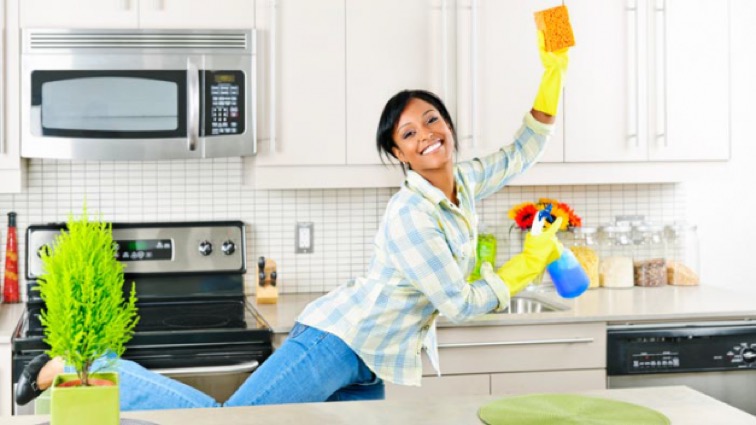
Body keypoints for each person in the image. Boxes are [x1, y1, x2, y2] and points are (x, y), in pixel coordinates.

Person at [16, 29, 570, 410]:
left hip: (370, 360)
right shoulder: (411, 216)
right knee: (230, 420)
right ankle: (74, 367)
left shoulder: (466, 180)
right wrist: (528, 264)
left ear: (449, 126)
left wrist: (554, 72)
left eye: (432, 120)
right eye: (409, 132)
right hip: (334, 343)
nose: (426, 134)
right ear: (399, 155)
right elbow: (460, 304)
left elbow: (526, 147)